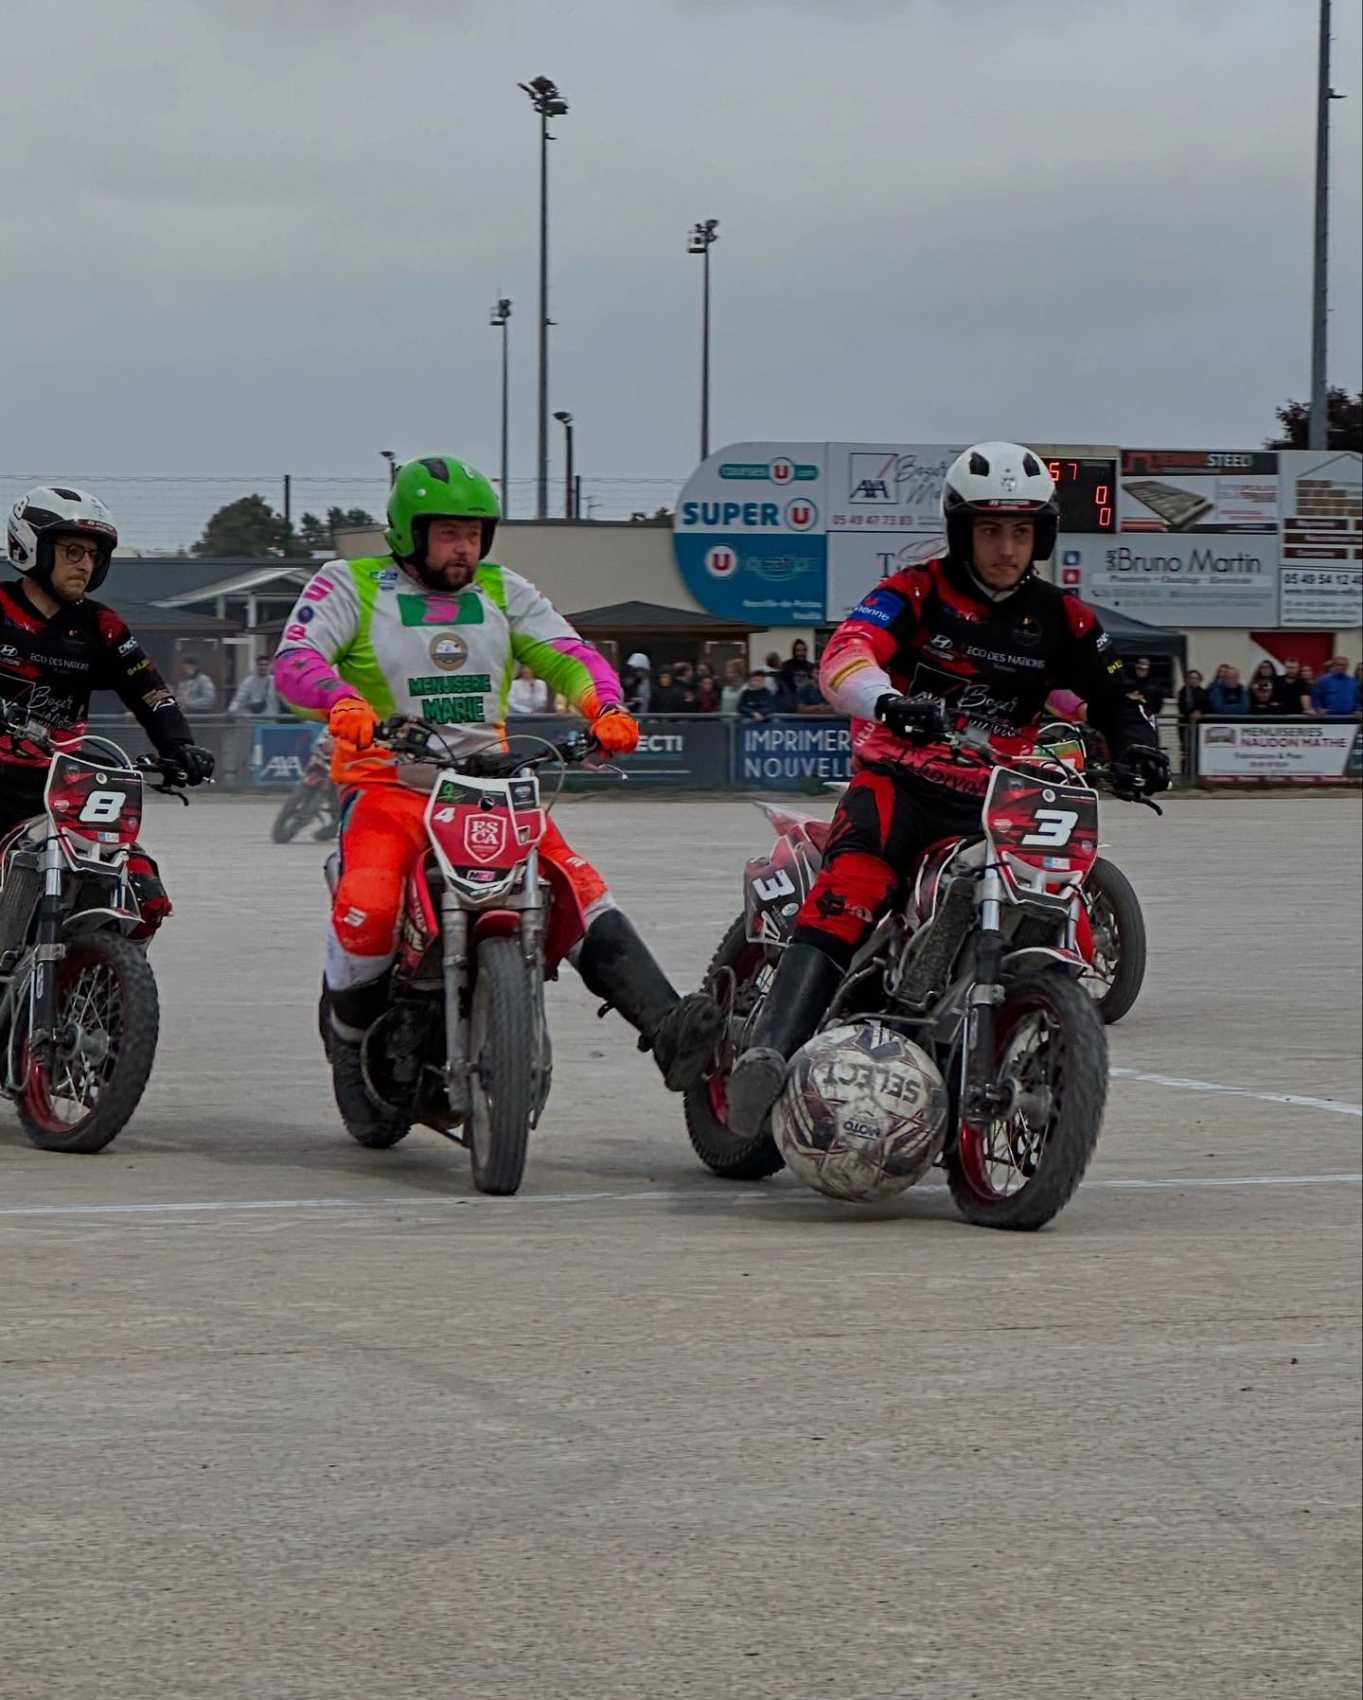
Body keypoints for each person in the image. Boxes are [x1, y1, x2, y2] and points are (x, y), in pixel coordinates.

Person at [725, 442, 1168, 1138]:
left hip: (1002, 795)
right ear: (963, 531)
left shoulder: (1065, 619)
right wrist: (884, 701)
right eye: (990, 529)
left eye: (1020, 532)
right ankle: (767, 1055)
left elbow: (1112, 696)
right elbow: (845, 655)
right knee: (851, 891)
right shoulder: (914, 592)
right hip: (900, 781)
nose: (1004, 547)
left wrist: (1139, 745)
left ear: (1040, 537)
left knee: (1054, 888)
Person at [272, 454, 720, 1109]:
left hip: (488, 786)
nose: (465, 548)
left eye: (475, 533)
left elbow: (569, 654)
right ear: (407, 531)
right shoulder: (349, 583)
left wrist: (606, 706)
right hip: (387, 789)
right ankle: (351, 1034)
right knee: (367, 904)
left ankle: (667, 1027)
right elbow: (296, 660)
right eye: (449, 533)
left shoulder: (503, 590)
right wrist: (338, 701)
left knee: (575, 885)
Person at [1, 485, 214, 837]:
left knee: (131, 870)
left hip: (61, 778)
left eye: (93, 555)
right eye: (72, 552)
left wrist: (179, 745)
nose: (85, 565)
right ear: (30, 546)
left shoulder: (103, 626)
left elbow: (150, 692)